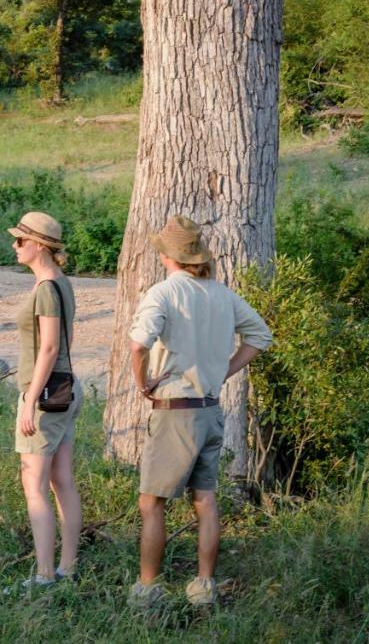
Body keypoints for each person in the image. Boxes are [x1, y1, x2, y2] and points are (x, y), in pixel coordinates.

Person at [125, 215, 272, 610]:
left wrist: (144, 384)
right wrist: (223, 371)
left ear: (166, 255)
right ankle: (204, 586)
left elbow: (139, 344)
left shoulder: (164, 293)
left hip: (176, 409)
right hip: (210, 409)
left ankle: (148, 590)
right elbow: (260, 335)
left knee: (152, 501)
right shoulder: (222, 294)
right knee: (205, 499)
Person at [4, 211, 83, 594]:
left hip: (47, 395)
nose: (15, 246)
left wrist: (28, 400)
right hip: (66, 390)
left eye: (21, 240)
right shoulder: (60, 283)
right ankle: (67, 568)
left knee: (34, 486)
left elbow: (49, 346)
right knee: (62, 481)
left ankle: (45, 575)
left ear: (39, 245)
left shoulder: (47, 288)